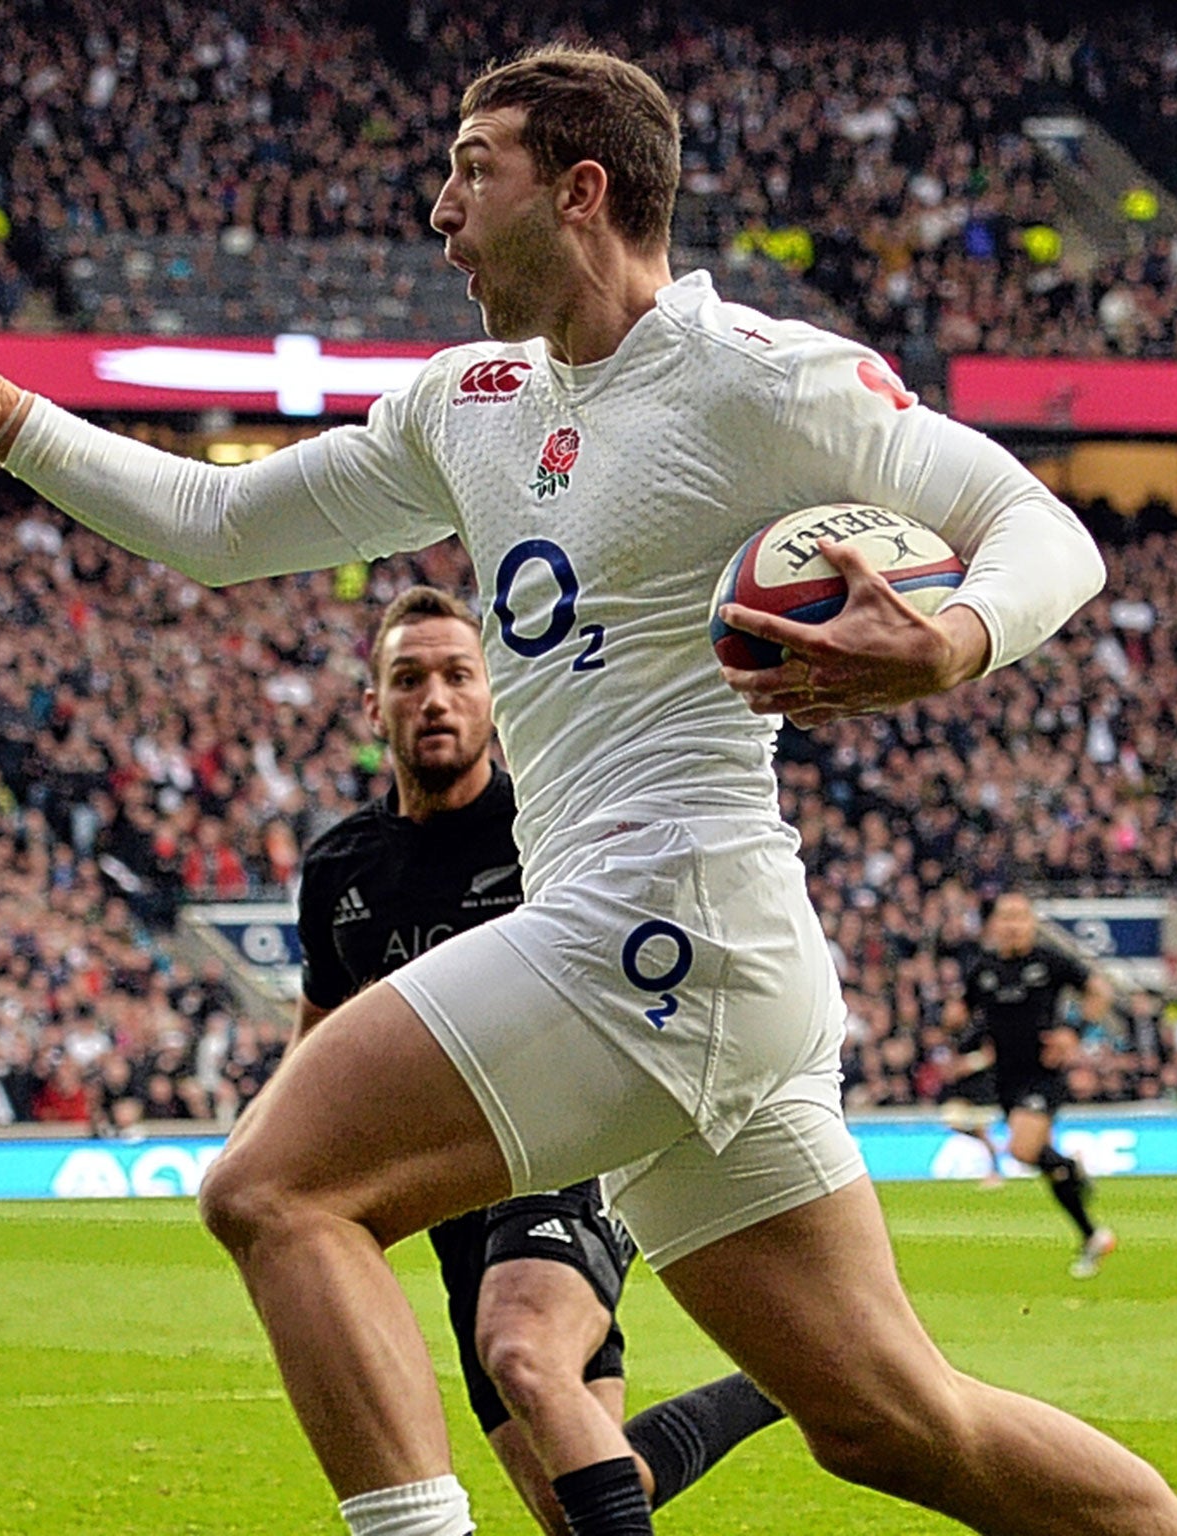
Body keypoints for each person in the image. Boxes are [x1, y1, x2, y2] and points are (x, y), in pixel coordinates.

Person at [0, 45, 1177, 1536]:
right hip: (682, 953)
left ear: (581, 192)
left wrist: (952, 638)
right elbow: (218, 522)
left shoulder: (757, 378)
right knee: (893, 1425)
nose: (438, 209)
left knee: (275, 1189)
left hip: (670, 913)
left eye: (470, 167)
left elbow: (1039, 526)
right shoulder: (472, 403)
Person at [296, 585, 784, 1532]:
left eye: (456, 675)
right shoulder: (338, 871)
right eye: (408, 679)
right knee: (587, 1500)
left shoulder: (551, 838)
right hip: (451, 1202)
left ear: (493, 696)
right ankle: (777, 1385)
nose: (434, 698)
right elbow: (319, 1043)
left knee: (521, 1350)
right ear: (373, 707)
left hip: (567, 1150)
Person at [956, 893, 1117, 1277]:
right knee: (1032, 1156)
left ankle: (1092, 1231)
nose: (1013, 924)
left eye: (1020, 917)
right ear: (993, 925)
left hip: (1043, 1073)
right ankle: (1085, 1216)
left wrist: (1074, 1032)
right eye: (1005, 917)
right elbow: (964, 1013)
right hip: (1006, 1078)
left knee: (1022, 1148)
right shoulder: (983, 969)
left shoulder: (1050, 961)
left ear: (1031, 923)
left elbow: (1100, 991)